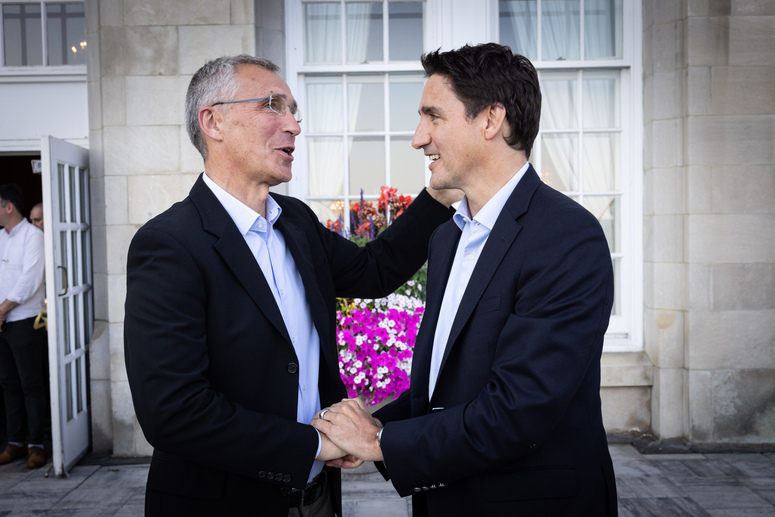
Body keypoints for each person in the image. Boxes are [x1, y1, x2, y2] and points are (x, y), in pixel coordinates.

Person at [123, 55, 456, 516]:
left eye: (293, 110)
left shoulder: (295, 221)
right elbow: (173, 412)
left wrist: (442, 193)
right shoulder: (169, 244)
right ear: (213, 121)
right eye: (272, 105)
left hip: (317, 497)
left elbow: (374, 270)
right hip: (225, 504)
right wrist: (312, 444)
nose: (294, 126)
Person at [312, 43, 618, 516]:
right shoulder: (448, 238)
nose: (418, 138)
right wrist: (372, 422)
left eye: (433, 116)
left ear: (491, 120)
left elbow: (519, 409)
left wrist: (381, 440)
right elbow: (446, 385)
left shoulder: (568, 237)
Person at [0, 184, 48, 469]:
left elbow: (30, 280)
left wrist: (3, 310)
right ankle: (15, 442)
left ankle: (36, 445)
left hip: (24, 321)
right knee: (8, 384)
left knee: (31, 384)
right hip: (2, 322)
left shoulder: (33, 236)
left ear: (9, 207)